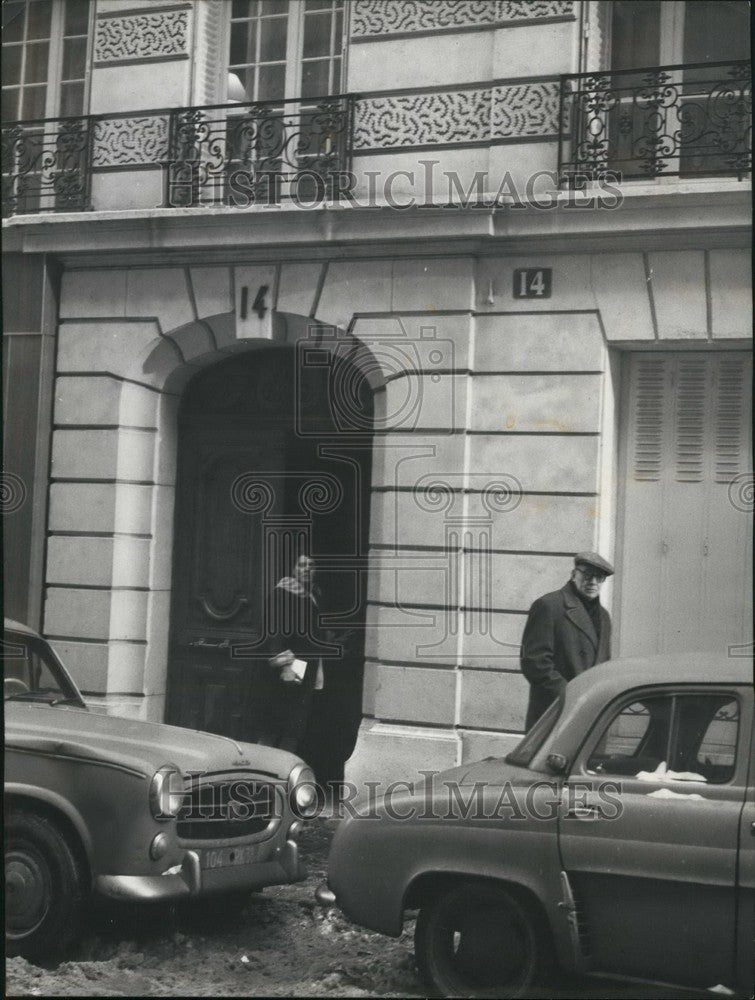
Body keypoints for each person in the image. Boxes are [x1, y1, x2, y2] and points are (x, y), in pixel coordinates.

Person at [520, 551, 614, 731]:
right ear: (574, 574)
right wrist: (571, 696)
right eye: (587, 575)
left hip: (590, 715)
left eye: (599, 577)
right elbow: (535, 663)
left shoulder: (604, 617)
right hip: (555, 712)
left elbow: (603, 665)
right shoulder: (549, 605)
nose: (592, 582)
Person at [255, 553, 328, 754]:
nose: (307, 569)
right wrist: (285, 666)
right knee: (272, 727)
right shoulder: (283, 593)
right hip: (286, 670)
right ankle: (260, 776)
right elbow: (274, 630)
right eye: (302, 565)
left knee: (293, 730)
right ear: (293, 568)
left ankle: (283, 777)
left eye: (311, 565)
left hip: (305, 669)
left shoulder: (313, 595)